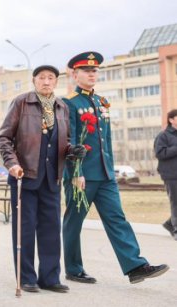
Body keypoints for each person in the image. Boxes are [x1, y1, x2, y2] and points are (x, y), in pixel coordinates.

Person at [62, 51, 168, 284]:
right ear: (74, 74)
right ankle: (73, 268)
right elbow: (68, 142)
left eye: (94, 70)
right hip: (82, 176)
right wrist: (75, 173)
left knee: (117, 218)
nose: (92, 74)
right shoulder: (69, 103)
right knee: (74, 221)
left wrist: (110, 168)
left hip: (105, 174)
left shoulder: (101, 102)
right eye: (86, 71)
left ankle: (136, 266)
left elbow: (106, 140)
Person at [0, 65, 74, 293]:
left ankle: (50, 278)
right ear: (34, 80)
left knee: (51, 229)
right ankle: (27, 277)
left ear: (56, 82)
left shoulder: (62, 107)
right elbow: (3, 138)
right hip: (25, 177)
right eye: (42, 78)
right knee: (25, 229)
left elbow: (64, 140)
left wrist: (72, 150)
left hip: (52, 178)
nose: (47, 81)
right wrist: (12, 164)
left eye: (51, 78)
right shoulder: (22, 102)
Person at [154, 109, 177, 240]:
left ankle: (169, 223)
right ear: (171, 120)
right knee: (176, 202)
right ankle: (175, 229)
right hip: (171, 174)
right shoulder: (163, 135)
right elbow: (160, 153)